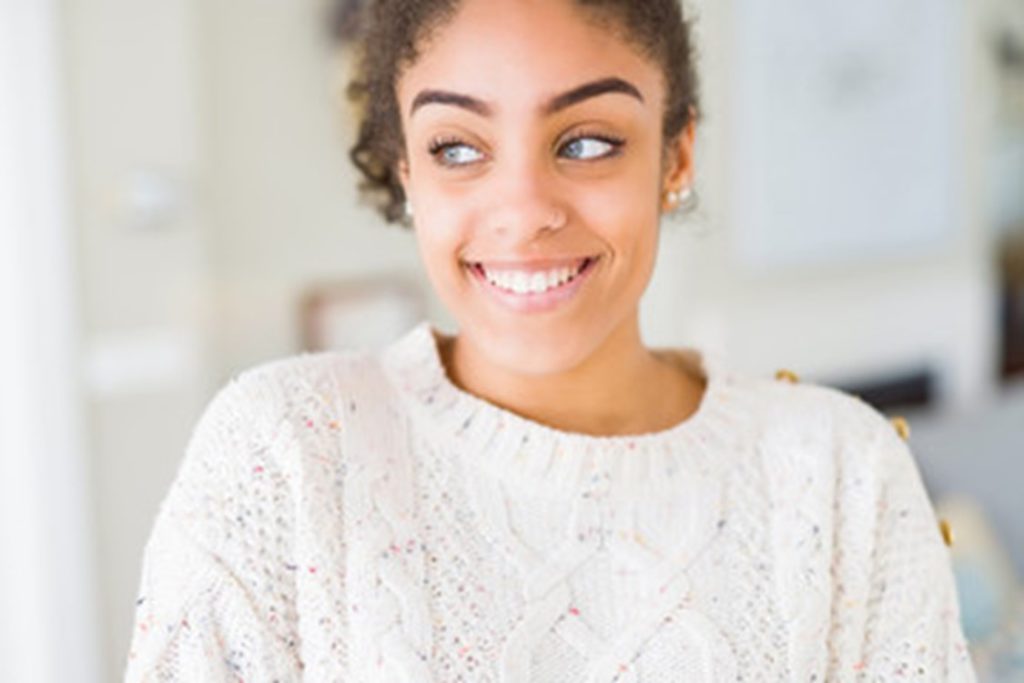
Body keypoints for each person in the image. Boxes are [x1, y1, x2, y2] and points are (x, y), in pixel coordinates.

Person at [125, 0, 978, 680]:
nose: (526, 210)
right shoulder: (284, 455)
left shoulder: (841, 472)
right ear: (406, 170)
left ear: (675, 158)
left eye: (587, 142)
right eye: (458, 148)